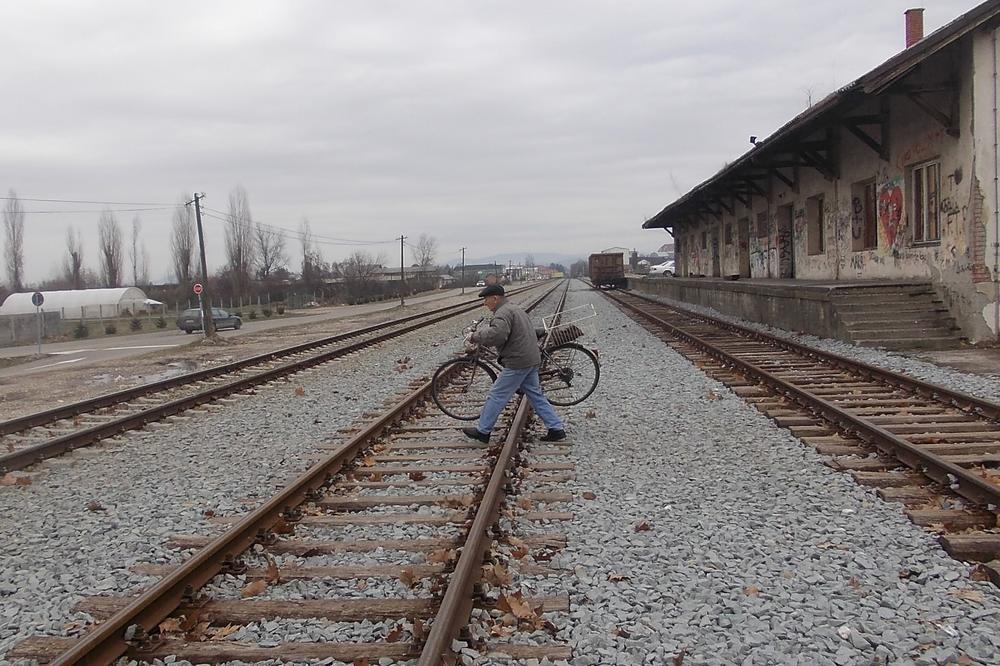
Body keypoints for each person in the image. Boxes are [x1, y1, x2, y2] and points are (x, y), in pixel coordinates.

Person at [461, 284, 566, 443]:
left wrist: (474, 336)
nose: (485, 303)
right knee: (535, 395)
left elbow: (497, 335)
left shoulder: (502, 313)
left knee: (496, 394)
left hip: (518, 361)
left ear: (495, 298)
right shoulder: (514, 308)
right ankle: (556, 428)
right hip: (531, 358)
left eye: (486, 299)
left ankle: (483, 431)